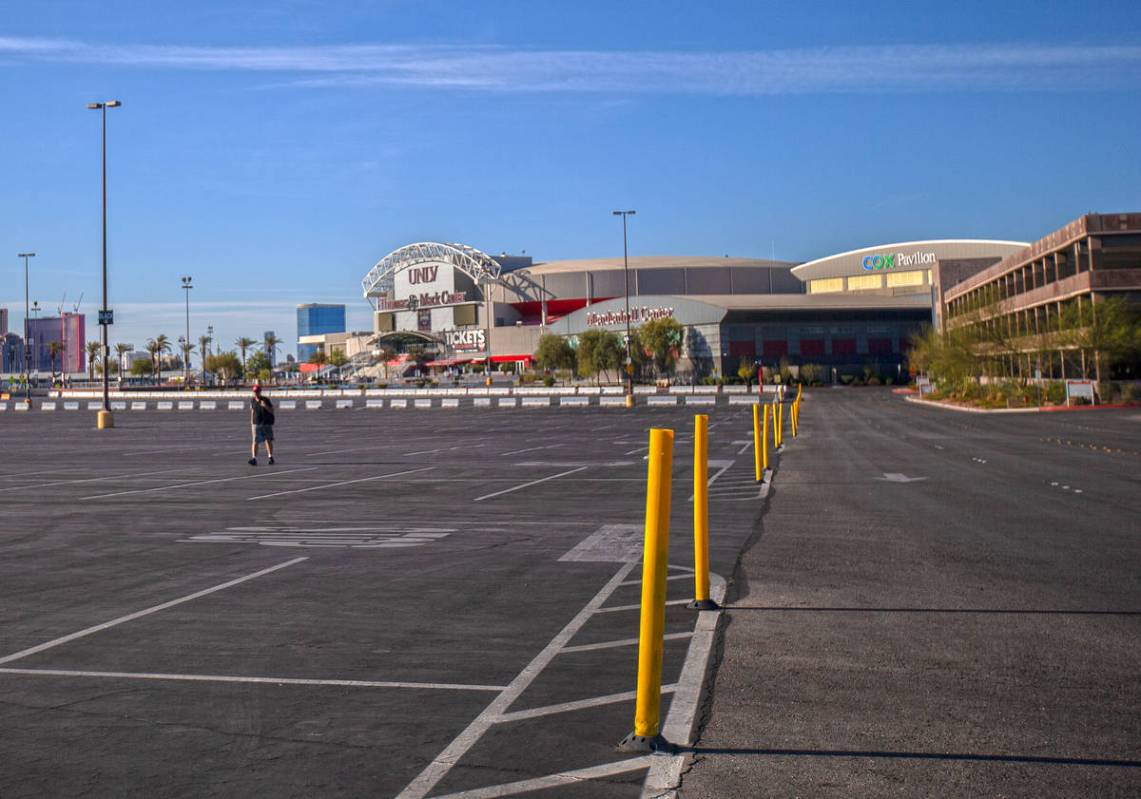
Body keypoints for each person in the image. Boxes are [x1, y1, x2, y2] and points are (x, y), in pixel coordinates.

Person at [248, 384, 275, 466]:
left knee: (268, 440)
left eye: (257, 391)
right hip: (256, 423)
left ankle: (270, 457)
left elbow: (272, 410)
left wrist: (265, 406)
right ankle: (254, 458)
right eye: (255, 392)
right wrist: (251, 421)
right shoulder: (252, 400)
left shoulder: (265, 400)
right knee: (255, 441)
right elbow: (252, 411)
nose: (256, 393)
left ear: (260, 392)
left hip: (266, 423)